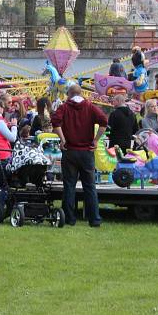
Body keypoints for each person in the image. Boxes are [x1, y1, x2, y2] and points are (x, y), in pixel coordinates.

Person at [52, 84, 108, 227]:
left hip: (70, 151)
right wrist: (96, 140)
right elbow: (104, 121)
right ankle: (94, 219)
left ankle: (69, 219)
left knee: (69, 186)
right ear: (81, 93)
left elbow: (55, 122)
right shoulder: (90, 107)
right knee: (90, 186)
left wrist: (63, 139)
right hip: (86, 152)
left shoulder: (64, 107)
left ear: (69, 94)